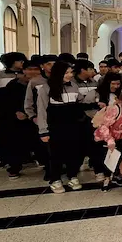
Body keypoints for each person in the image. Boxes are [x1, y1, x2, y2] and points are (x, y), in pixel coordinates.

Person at [37, 61, 85, 194]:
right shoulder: (46, 88)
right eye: (67, 72)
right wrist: (43, 130)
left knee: (74, 152)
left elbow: (81, 102)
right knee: (56, 154)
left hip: (73, 126)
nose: (70, 75)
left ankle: (72, 175)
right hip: (55, 127)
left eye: (71, 72)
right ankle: (55, 179)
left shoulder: (74, 86)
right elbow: (41, 110)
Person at [93, 86, 122, 190]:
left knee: (121, 155)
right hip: (106, 138)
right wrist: (110, 140)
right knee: (109, 157)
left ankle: (117, 175)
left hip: (121, 137)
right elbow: (104, 126)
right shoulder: (115, 109)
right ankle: (107, 179)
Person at [0, 62, 36, 179]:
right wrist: (16, 112)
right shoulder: (14, 85)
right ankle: (14, 167)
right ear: (23, 70)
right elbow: (5, 102)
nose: (33, 72)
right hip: (17, 118)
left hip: (36, 117)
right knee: (16, 143)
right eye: (30, 69)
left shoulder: (42, 83)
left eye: (36, 69)